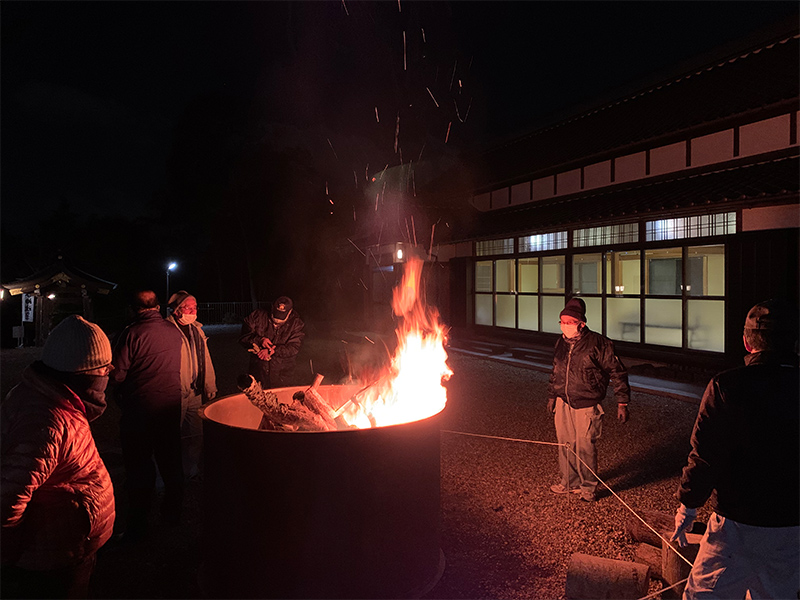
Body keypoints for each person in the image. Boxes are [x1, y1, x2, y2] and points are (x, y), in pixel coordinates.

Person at [670, 299, 799, 599]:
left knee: (705, 594)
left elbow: (705, 454)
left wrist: (688, 506)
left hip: (737, 523)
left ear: (746, 341)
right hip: (792, 526)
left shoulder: (727, 385)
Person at [1, 315, 116, 599]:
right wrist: (10, 553)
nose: (109, 374)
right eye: (105, 368)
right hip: (51, 557)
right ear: (83, 374)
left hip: (62, 543)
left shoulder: (56, 399)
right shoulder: (47, 423)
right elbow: (7, 498)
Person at [110, 290, 183, 541]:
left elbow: (118, 374)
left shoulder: (131, 333)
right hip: (171, 405)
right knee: (171, 461)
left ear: (134, 308)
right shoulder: (173, 331)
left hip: (140, 407)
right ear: (157, 306)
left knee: (139, 464)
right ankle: (173, 514)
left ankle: (138, 524)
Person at [546, 297, 630, 502]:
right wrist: (552, 395)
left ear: (581, 323)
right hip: (563, 400)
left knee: (585, 446)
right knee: (565, 444)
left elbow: (617, 372)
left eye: (570, 322)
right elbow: (556, 370)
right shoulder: (561, 343)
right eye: (562, 322)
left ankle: (588, 487)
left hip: (587, 402)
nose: (565, 326)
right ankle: (570, 482)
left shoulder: (599, 343)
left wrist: (622, 402)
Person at [166, 290, 217, 480]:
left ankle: (190, 468)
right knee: (170, 435)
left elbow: (206, 358)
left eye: (195, 307)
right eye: (189, 308)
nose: (193, 312)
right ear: (177, 310)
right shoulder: (166, 330)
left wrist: (210, 385)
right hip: (175, 393)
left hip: (195, 391)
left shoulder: (197, 329)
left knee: (196, 433)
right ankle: (168, 472)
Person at [240, 296, 305, 389]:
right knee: (258, 396)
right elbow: (244, 337)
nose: (277, 321)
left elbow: (294, 347)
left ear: (290, 312)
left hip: (283, 375)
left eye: (282, 317)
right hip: (259, 372)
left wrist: (273, 350)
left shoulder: (296, 324)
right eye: (276, 315)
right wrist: (259, 340)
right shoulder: (257, 316)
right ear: (272, 307)